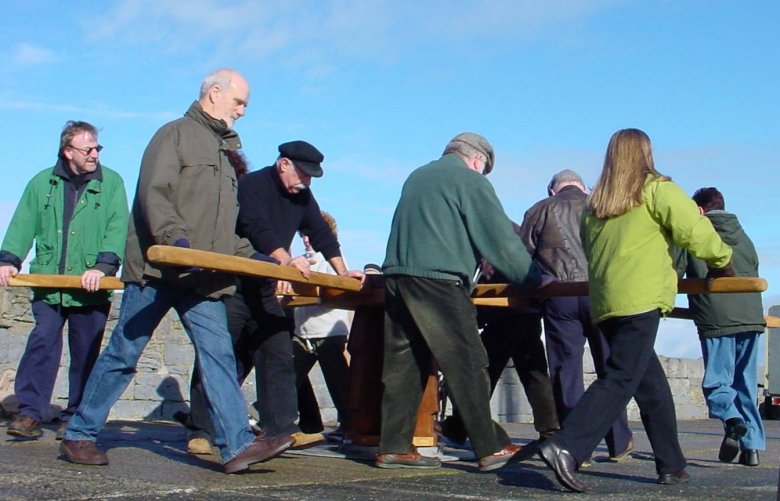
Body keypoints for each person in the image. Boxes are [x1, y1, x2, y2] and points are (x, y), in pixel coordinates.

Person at [60, 69, 294, 474]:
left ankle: (236, 445)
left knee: (219, 355)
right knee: (124, 353)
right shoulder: (174, 135)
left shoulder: (226, 155)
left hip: (202, 279)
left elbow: (223, 228)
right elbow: (156, 193)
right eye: (239, 102)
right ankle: (80, 434)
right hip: (159, 271)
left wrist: (254, 256)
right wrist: (175, 242)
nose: (243, 110)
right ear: (214, 93)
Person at [537, 128, 734, 492]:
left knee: (652, 386)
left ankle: (672, 465)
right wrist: (724, 259)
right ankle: (566, 445)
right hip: (640, 299)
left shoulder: (596, 204)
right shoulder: (657, 189)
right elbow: (694, 231)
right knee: (621, 378)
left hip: (607, 302)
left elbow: (589, 248)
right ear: (645, 153)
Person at [377, 132, 542, 471]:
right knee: (468, 360)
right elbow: (500, 240)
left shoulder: (418, 176)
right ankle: (489, 446)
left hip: (396, 276)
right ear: (477, 161)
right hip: (438, 280)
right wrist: (535, 279)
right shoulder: (470, 181)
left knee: (404, 365)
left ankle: (393, 446)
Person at [186, 140, 364, 454]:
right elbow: (256, 228)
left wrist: (342, 271)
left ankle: (280, 430)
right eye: (303, 174)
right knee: (221, 354)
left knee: (278, 353)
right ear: (283, 164)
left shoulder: (303, 196)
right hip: (233, 285)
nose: (307, 182)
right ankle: (201, 429)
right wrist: (285, 260)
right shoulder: (252, 185)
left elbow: (320, 231)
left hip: (265, 287)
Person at [0, 121, 128, 441]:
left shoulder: (112, 183)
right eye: (88, 149)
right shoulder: (41, 183)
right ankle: (30, 412)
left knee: (86, 351)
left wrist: (104, 265)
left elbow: (118, 227)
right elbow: (22, 224)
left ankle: (76, 415)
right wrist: (8, 260)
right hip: (49, 282)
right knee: (42, 342)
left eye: (98, 148)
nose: (95, 154)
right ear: (68, 151)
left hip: (91, 285)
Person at [518, 169, 633, 463]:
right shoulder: (601, 206)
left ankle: (573, 446)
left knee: (565, 371)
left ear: (553, 190)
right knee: (611, 369)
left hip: (559, 295)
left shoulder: (539, 209)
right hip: (601, 293)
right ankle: (619, 442)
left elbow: (521, 256)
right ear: (582, 187)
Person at [675, 187, 765, 466]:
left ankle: (732, 419)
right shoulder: (744, 236)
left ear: (699, 210)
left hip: (716, 317)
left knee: (717, 382)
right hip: (751, 315)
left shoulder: (695, 233)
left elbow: (675, 270)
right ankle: (752, 450)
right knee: (746, 385)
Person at [292, 212, 352, 435]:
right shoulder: (300, 260)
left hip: (328, 330)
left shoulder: (333, 258)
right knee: (290, 375)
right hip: (303, 330)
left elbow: (338, 287)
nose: (307, 239)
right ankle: (308, 423)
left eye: (310, 234)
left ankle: (351, 425)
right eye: (303, 235)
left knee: (338, 382)